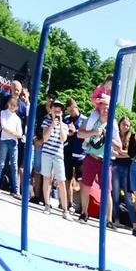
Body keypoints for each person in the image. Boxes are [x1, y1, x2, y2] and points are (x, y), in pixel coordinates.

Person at [76, 94, 113, 223]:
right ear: (99, 108)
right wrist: (93, 132)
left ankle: (108, 220)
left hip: (105, 161)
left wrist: (110, 138)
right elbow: (79, 134)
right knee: (85, 186)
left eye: (108, 108)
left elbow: (119, 145)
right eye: (103, 108)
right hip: (91, 157)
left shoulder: (112, 125)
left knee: (107, 191)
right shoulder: (92, 120)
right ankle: (84, 213)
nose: (105, 110)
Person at [37, 99, 71, 217]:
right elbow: (45, 138)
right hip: (47, 153)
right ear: (51, 109)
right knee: (47, 178)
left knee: (61, 181)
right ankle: (47, 205)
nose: (58, 110)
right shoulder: (46, 122)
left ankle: (65, 210)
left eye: (60, 108)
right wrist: (52, 124)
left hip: (58, 155)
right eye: (55, 107)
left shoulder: (65, 125)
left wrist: (60, 123)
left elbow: (63, 138)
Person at [0, 81, 24, 194]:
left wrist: (14, 133)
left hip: (13, 142)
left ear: (16, 107)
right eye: (11, 104)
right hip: (4, 140)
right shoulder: (3, 113)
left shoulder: (17, 119)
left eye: (14, 106)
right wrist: (14, 133)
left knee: (14, 165)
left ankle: (16, 190)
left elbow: (20, 134)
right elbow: (4, 126)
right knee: (1, 163)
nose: (12, 107)